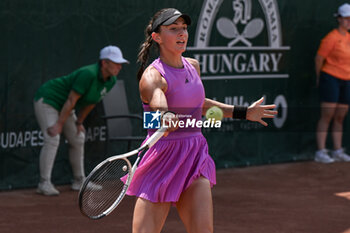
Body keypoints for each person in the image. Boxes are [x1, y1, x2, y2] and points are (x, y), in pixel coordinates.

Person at [126, 8, 277, 233]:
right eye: (173, 29)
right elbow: (158, 102)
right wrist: (165, 116)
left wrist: (243, 112)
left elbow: (200, 104)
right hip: (162, 160)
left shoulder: (193, 66)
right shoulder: (152, 76)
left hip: (194, 155)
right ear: (157, 37)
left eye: (184, 28)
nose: (182, 34)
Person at [34, 45, 129, 196]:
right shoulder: (88, 74)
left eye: (120, 63)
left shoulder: (110, 81)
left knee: (78, 138)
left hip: (65, 106)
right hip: (49, 100)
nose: (119, 66)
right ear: (104, 63)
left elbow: (92, 102)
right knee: (53, 138)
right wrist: (59, 124)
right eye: (116, 62)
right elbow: (72, 99)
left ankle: (79, 181)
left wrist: (79, 122)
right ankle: (44, 183)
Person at [314, 3, 350, 163]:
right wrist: (319, 77)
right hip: (330, 78)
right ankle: (321, 151)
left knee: (340, 117)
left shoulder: (349, 38)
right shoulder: (331, 38)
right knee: (327, 115)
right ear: (340, 19)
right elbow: (319, 59)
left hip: (347, 80)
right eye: (347, 19)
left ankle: (338, 150)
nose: (349, 22)